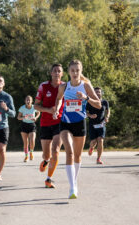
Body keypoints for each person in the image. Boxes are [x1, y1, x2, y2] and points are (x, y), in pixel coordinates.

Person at [53, 59, 101, 199]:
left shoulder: (85, 86)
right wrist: (57, 109)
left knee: (78, 156)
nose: (75, 73)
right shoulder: (63, 86)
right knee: (69, 151)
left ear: (81, 71)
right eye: (72, 70)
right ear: (68, 72)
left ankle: (74, 181)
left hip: (80, 123)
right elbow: (59, 99)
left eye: (77, 71)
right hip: (65, 123)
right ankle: (72, 187)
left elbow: (98, 105)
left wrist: (86, 98)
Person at [34, 64, 64, 188]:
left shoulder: (65, 86)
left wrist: (57, 111)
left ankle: (49, 179)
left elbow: (62, 99)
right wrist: (48, 110)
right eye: (54, 71)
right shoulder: (43, 86)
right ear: (51, 73)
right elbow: (36, 106)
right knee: (47, 155)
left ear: (62, 74)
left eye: (59, 71)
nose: (57, 73)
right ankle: (46, 160)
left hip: (60, 122)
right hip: (45, 123)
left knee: (56, 151)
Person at [87, 87, 110, 164]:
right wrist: (90, 115)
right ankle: (91, 147)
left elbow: (108, 111)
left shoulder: (104, 102)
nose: (98, 93)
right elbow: (84, 111)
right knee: (93, 141)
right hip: (92, 124)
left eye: (99, 92)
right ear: (93, 93)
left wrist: (107, 117)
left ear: (101, 93)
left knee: (100, 140)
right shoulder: (90, 102)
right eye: (96, 92)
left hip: (101, 124)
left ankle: (98, 159)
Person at [17, 95, 40, 162]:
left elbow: (39, 113)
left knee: (32, 140)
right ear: (25, 101)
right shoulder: (22, 108)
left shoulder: (34, 107)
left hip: (32, 125)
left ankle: (31, 152)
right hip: (24, 125)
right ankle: (26, 156)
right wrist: (23, 117)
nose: (28, 101)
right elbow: (18, 117)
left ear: (32, 101)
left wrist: (35, 117)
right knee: (25, 142)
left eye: (29, 100)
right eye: (27, 100)